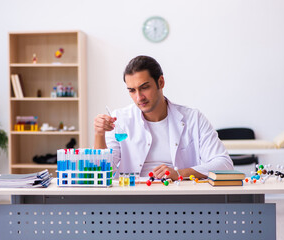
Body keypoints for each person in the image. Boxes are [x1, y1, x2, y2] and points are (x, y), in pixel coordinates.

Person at [94, 55, 233, 180]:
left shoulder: (193, 118)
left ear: (161, 82)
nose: (139, 97)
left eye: (144, 87)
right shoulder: (119, 119)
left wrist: (179, 174)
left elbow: (224, 164)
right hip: (131, 199)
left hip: (179, 197)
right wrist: (99, 134)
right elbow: (102, 172)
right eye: (132, 90)